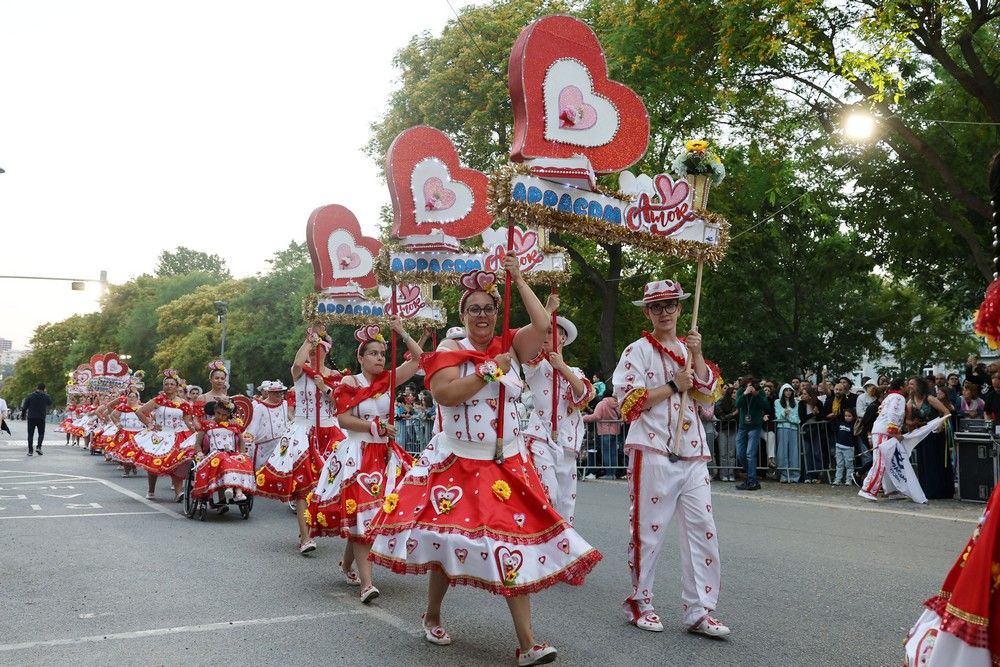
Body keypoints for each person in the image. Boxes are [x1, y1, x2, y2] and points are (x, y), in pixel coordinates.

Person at [368, 260, 601, 666]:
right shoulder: (450, 351)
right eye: (473, 309)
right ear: (462, 316)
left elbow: (544, 325)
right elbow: (445, 395)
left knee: (513, 543)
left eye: (489, 308)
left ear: (497, 312)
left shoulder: (510, 345)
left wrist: (519, 278)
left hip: (508, 463)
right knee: (448, 542)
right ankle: (434, 614)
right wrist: (489, 372)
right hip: (458, 462)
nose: (482, 315)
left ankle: (527, 644)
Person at [613, 279, 729, 638]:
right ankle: (641, 602)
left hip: (693, 452)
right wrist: (671, 386)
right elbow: (628, 404)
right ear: (647, 312)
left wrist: (696, 355)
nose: (664, 312)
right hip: (652, 450)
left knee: (703, 532)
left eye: (671, 305)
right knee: (648, 531)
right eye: (657, 307)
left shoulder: (687, 348)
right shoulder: (636, 351)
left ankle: (699, 610)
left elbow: (709, 395)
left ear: (681, 309)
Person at [309, 318, 425, 604]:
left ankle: (348, 565)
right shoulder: (350, 382)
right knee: (362, 516)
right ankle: (367, 583)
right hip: (358, 454)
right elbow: (343, 418)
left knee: (370, 516)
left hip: (385, 455)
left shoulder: (388, 380)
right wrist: (375, 428)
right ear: (360, 357)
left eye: (383, 354)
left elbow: (420, 360)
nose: (379, 358)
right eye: (373, 353)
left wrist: (404, 333)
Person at [255, 324, 339, 555]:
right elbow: (296, 362)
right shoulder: (300, 374)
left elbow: (342, 406)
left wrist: (327, 390)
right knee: (302, 486)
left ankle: (315, 525)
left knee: (329, 484)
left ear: (328, 351)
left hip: (330, 432)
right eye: (312, 350)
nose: (314, 353)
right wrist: (310, 338)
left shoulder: (337, 377)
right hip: (303, 432)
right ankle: (305, 536)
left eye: (319, 349)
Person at [522, 304, 594, 525]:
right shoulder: (535, 364)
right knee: (548, 496)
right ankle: (540, 547)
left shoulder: (575, 372)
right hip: (540, 438)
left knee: (566, 506)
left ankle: (563, 553)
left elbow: (582, 396)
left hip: (568, 444)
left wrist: (561, 367)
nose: (545, 335)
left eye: (551, 331)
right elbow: (528, 347)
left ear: (563, 338)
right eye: (544, 330)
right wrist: (545, 309)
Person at [133, 370, 198, 500]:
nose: (169, 386)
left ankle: (178, 492)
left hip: (178, 435)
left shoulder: (183, 403)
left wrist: (195, 431)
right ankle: (151, 490)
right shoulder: (158, 400)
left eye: (172, 384)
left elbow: (187, 420)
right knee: (153, 463)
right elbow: (140, 412)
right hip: (160, 435)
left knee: (177, 461)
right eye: (166, 384)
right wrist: (150, 425)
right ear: (163, 387)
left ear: (177, 386)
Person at [190, 398, 255, 513]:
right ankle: (230, 488)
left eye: (224, 415)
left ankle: (238, 491)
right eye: (218, 413)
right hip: (214, 454)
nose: (220, 417)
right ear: (214, 411)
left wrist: (243, 454)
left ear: (229, 415)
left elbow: (241, 443)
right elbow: (198, 444)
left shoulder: (235, 426)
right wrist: (200, 454)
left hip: (231, 454)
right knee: (223, 458)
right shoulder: (207, 425)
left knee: (243, 460)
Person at [907, 376, 953, 500]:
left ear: (919, 386)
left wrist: (940, 424)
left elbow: (946, 412)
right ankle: (927, 489)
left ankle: (941, 490)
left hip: (935, 434)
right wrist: (912, 423)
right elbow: (907, 419)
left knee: (936, 461)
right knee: (925, 462)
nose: (909, 386)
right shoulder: (910, 401)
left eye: (911, 384)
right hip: (923, 435)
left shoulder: (930, 398)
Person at [244, 380, 291, 470]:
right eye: (275, 392)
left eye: (280, 392)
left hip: (282, 445)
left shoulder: (286, 405)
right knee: (262, 473)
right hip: (264, 448)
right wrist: (247, 444)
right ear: (269, 392)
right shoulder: (259, 408)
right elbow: (252, 428)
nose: (278, 395)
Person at [582, 385, 622, 480]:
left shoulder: (601, 404)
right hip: (616, 431)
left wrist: (583, 418)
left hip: (604, 431)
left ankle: (608, 474)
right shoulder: (618, 404)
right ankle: (613, 474)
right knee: (613, 453)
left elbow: (596, 417)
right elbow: (621, 415)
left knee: (606, 453)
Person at [735, 377, 768, 491]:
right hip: (743, 426)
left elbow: (766, 405)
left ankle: (752, 481)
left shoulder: (760, 392)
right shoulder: (740, 391)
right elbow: (737, 404)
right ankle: (751, 479)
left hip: (755, 426)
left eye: (751, 385)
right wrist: (745, 394)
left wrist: (756, 395)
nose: (749, 387)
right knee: (740, 454)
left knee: (750, 454)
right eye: (747, 385)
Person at [773, 383, 800, 483]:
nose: (788, 392)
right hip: (782, 428)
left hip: (794, 428)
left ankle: (794, 475)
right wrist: (785, 413)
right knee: (782, 452)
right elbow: (778, 416)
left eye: (790, 390)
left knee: (794, 452)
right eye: (786, 390)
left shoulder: (796, 402)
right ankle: (784, 475)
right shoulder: (777, 402)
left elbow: (797, 418)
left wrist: (789, 416)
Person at [798, 386, 825, 483]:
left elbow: (822, 416)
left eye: (805, 394)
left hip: (816, 429)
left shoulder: (818, 403)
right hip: (805, 430)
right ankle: (807, 475)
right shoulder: (801, 404)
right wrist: (813, 414)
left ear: (810, 396)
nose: (803, 396)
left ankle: (815, 475)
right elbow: (802, 418)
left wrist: (817, 413)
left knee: (816, 452)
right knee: (807, 452)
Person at [714, 386, 738, 481]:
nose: (735, 395)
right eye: (733, 393)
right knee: (723, 453)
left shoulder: (737, 404)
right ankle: (723, 474)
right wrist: (732, 415)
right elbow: (721, 416)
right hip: (722, 429)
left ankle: (731, 474)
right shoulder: (720, 402)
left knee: (731, 453)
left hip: (732, 429)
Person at [21, 383, 53, 456]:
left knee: (30, 434)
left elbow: (25, 406)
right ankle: (39, 447)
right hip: (41, 417)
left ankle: (30, 451)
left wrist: (23, 415)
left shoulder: (30, 396)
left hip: (31, 417)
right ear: (44, 388)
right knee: (41, 433)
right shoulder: (46, 396)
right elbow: (50, 403)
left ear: (37, 387)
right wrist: (46, 394)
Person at [832, 406, 857, 485]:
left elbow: (855, 436)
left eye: (849, 416)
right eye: (846, 416)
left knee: (849, 464)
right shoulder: (841, 423)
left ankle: (849, 479)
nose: (847, 418)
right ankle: (838, 479)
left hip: (849, 447)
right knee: (839, 464)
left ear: (853, 417)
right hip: (839, 446)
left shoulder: (853, 426)